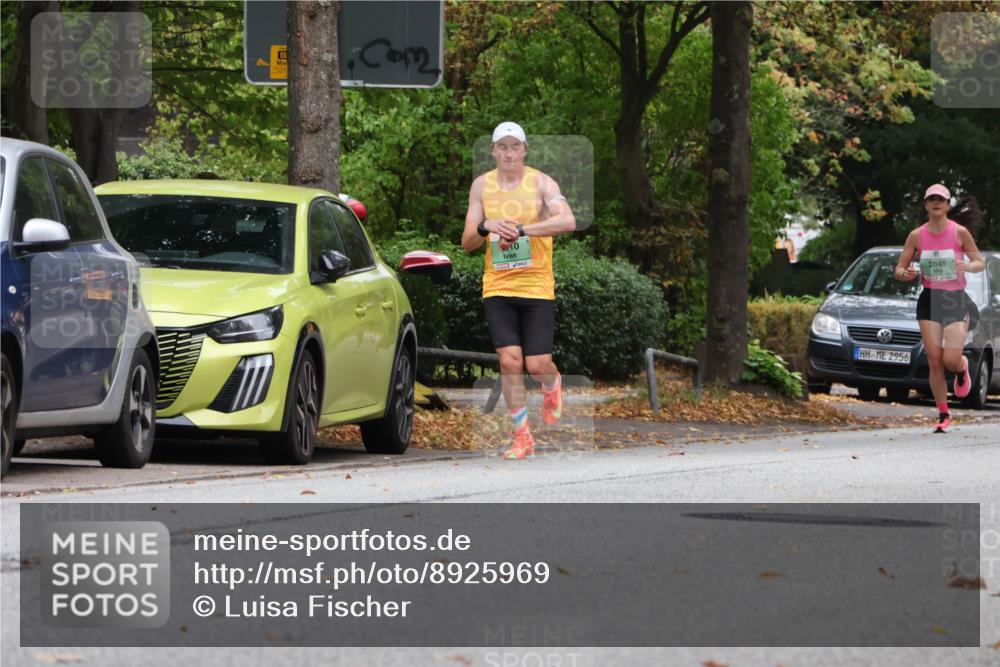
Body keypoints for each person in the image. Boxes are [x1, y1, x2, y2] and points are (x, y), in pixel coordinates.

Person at [461, 122, 577, 459]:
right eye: (503, 147)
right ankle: (522, 436)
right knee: (510, 362)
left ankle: (552, 383)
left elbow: (567, 221)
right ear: (493, 151)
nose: (509, 153)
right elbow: (467, 241)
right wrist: (486, 226)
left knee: (537, 364)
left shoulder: (542, 182)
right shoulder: (481, 186)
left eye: (515, 147)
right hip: (497, 285)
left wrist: (523, 230)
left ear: (524, 150)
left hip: (537, 286)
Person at [894, 184, 985, 433]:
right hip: (930, 299)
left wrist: (967, 267)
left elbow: (980, 262)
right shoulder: (916, 236)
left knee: (950, 359)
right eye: (931, 199)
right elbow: (899, 269)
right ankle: (943, 413)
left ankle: (962, 368)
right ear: (926, 204)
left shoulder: (960, 232)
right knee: (934, 361)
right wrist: (907, 273)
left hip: (955, 299)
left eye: (941, 199)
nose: (936, 203)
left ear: (947, 205)